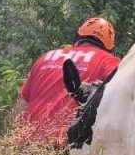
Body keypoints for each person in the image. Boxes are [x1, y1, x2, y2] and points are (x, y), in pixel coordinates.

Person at [13, 17, 121, 145]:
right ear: (109, 48)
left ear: (78, 37)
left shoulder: (45, 58)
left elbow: (21, 105)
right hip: (65, 148)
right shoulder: (110, 62)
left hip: (25, 146)